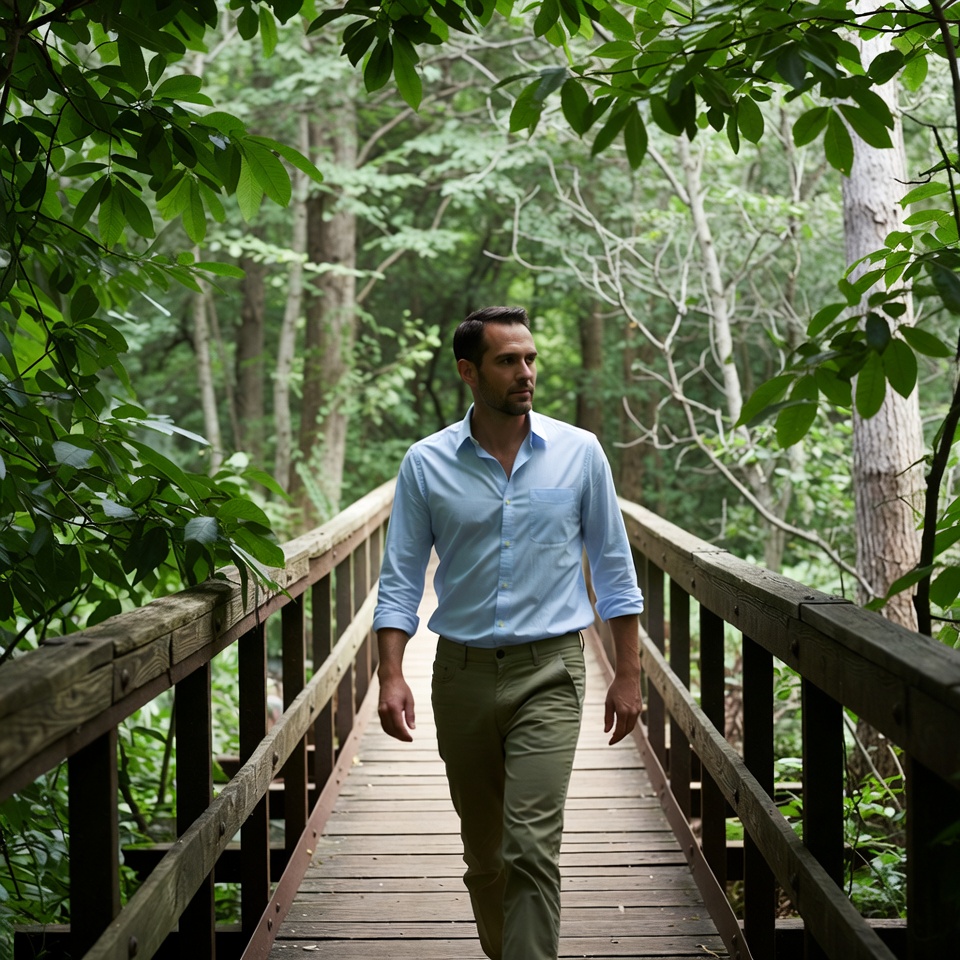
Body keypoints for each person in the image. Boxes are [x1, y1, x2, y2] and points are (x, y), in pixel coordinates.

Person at [373, 305, 645, 960]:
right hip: (461, 675)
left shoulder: (580, 454)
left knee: (530, 849)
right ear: (469, 371)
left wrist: (629, 673)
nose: (525, 372)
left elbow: (613, 566)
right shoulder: (426, 463)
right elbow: (401, 578)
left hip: (551, 671)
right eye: (507, 361)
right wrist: (389, 674)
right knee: (486, 857)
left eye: (529, 358)